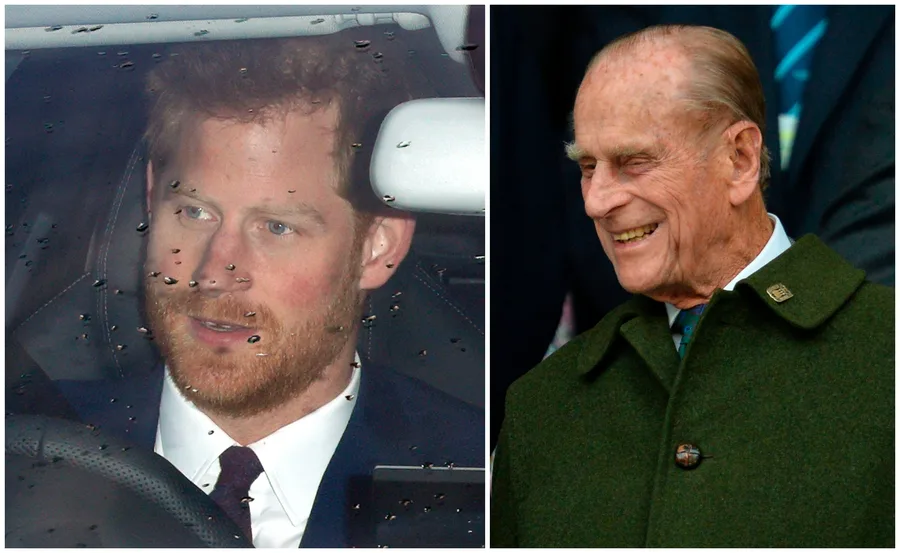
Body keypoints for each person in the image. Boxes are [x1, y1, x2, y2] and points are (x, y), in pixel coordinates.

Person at [53, 34, 483, 548]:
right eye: (194, 213)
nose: (215, 271)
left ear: (377, 245)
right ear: (151, 200)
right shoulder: (34, 456)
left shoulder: (484, 486)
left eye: (276, 227)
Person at [490, 25, 893, 547]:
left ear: (740, 159)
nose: (597, 201)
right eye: (588, 168)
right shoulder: (542, 408)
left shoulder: (886, 355)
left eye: (634, 162)